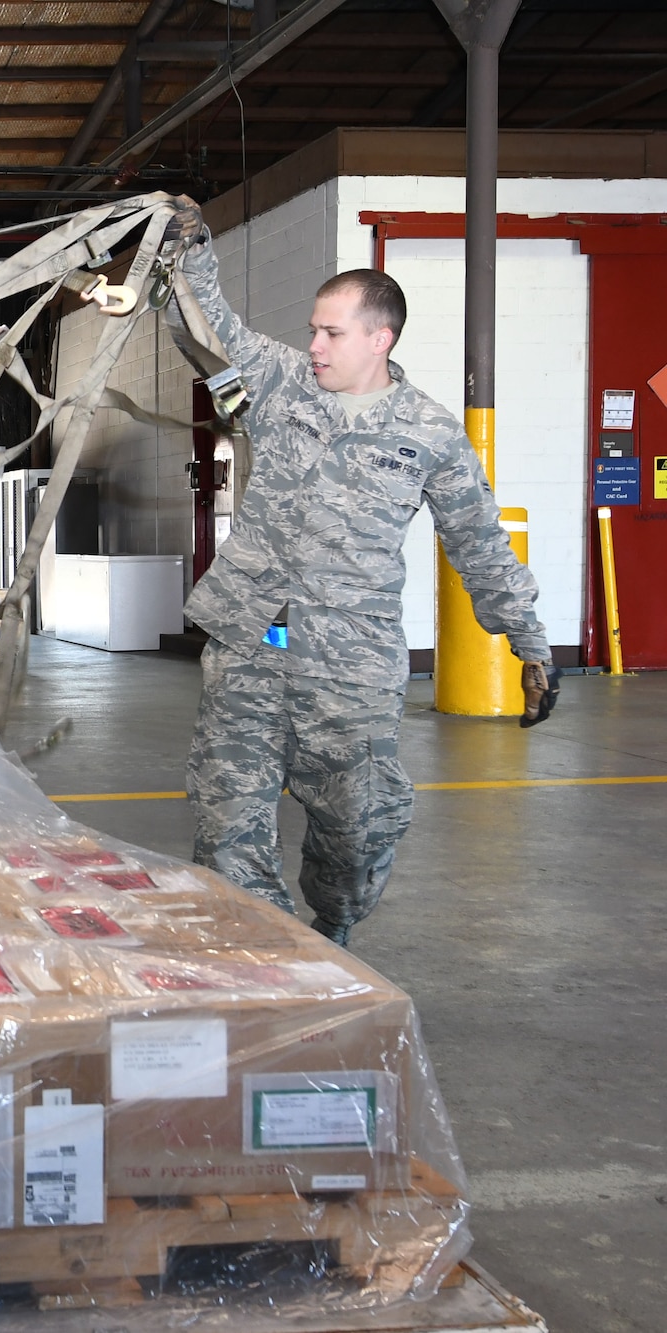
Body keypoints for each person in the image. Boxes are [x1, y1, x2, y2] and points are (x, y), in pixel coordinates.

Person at [162, 196, 558, 947]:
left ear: (381, 338)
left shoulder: (429, 433)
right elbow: (206, 329)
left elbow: (478, 540)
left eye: (331, 332)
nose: (313, 343)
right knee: (226, 824)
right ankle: (269, 960)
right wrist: (191, 249)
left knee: (355, 834)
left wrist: (529, 641)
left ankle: (333, 927)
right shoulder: (281, 385)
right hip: (251, 647)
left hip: (349, 670)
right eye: (313, 329)